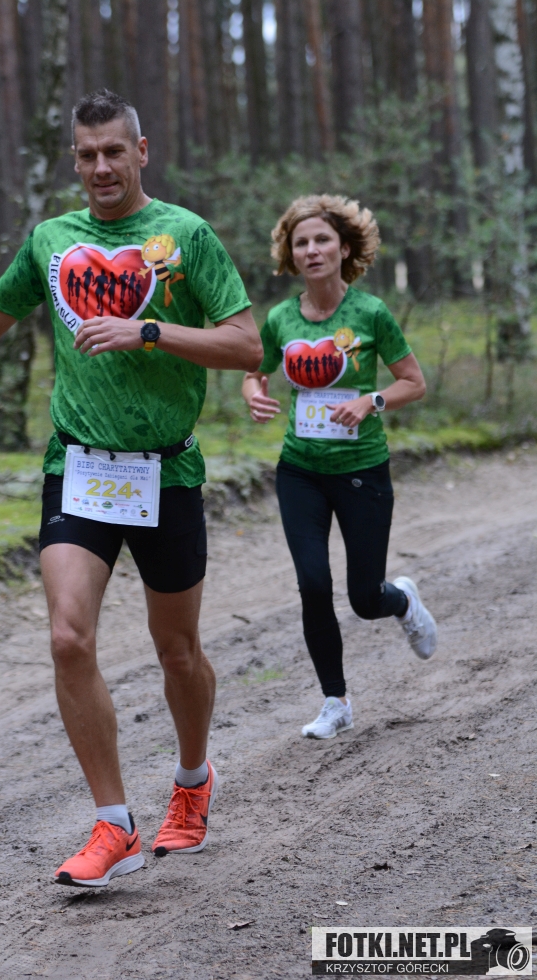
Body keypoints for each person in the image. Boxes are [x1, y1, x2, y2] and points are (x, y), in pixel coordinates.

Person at [0, 90, 262, 888]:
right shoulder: (52, 239)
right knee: (67, 638)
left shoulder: (185, 236)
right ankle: (113, 823)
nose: (100, 167)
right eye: (86, 155)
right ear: (74, 160)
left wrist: (146, 330)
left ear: (141, 151)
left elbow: (246, 344)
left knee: (176, 651)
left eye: (114, 151)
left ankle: (191, 781)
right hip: (78, 469)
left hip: (165, 470)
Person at [242, 195, 437, 741]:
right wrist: (254, 394)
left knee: (364, 599)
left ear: (344, 249)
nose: (312, 250)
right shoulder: (281, 318)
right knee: (312, 584)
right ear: (291, 254)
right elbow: (254, 373)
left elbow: (414, 383)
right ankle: (336, 702)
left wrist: (370, 401)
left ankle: (403, 601)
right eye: (301, 242)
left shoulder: (371, 313)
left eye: (322, 240)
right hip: (299, 470)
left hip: (362, 470)